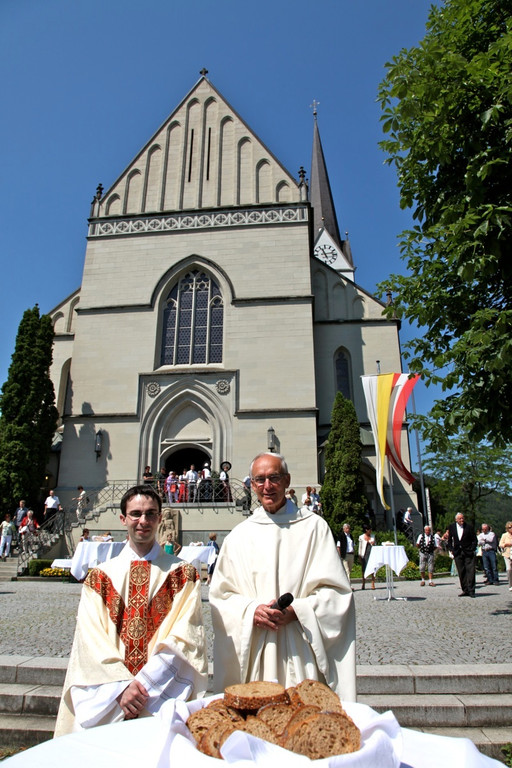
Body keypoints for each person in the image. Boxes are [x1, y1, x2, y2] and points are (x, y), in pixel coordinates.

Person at [54, 484, 207, 738]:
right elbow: (90, 642)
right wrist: (121, 689)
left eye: (150, 514)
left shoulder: (183, 575)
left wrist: (142, 688)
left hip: (160, 698)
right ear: (123, 519)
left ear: (160, 518)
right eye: (135, 514)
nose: (143, 521)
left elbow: (185, 639)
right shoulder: (99, 577)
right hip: (110, 698)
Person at [209, 452, 356, 701]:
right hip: (257, 649)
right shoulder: (239, 536)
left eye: (274, 478)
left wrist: (298, 610)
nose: (267, 486)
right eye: (260, 479)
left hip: (300, 647)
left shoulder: (314, 528)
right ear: (252, 485)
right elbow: (221, 596)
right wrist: (251, 611)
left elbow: (337, 593)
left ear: (287, 481)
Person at [447, 512, 477, 597]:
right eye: (460, 519)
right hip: (457, 552)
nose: (462, 520)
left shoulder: (469, 527)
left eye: (462, 518)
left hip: (468, 551)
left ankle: (471, 590)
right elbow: (450, 540)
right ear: (456, 519)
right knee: (461, 571)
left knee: (470, 571)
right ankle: (465, 590)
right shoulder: (452, 527)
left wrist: (472, 548)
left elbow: (474, 539)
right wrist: (451, 549)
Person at [358, 525, 376, 590]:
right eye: (369, 530)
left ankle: (373, 583)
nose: (370, 531)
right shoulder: (361, 537)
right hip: (364, 554)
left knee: (373, 569)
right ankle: (363, 583)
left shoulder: (373, 536)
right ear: (366, 530)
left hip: (372, 553)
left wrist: (373, 543)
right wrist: (359, 555)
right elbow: (360, 547)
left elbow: (375, 545)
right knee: (364, 569)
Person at [499, 522, 512, 591]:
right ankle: (510, 585)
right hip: (507, 554)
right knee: (509, 569)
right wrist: (506, 544)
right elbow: (500, 544)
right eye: (510, 527)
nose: (511, 528)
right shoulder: (504, 535)